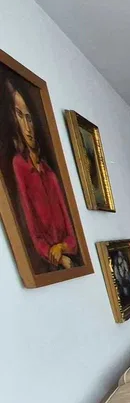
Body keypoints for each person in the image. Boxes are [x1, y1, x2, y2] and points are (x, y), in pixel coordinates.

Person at [4, 79, 79, 271]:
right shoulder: (19, 165)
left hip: (64, 257)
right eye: (20, 116)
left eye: (29, 118)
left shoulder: (50, 173)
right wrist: (57, 256)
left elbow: (72, 236)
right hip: (51, 264)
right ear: (13, 119)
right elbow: (31, 231)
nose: (27, 127)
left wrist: (61, 247)